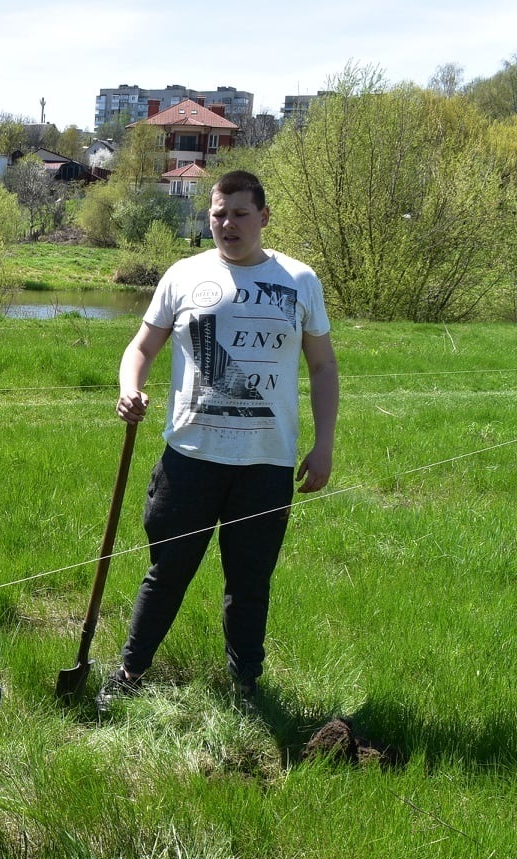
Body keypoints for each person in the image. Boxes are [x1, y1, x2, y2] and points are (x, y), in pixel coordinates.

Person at [103, 169, 339, 705]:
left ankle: (246, 685)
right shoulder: (183, 276)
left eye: (238, 213)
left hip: (266, 463)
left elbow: (323, 366)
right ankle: (129, 676)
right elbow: (140, 347)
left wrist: (323, 444)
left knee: (250, 584)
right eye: (218, 213)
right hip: (190, 457)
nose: (226, 224)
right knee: (166, 573)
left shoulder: (300, 281)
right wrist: (128, 388)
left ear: (264, 217)